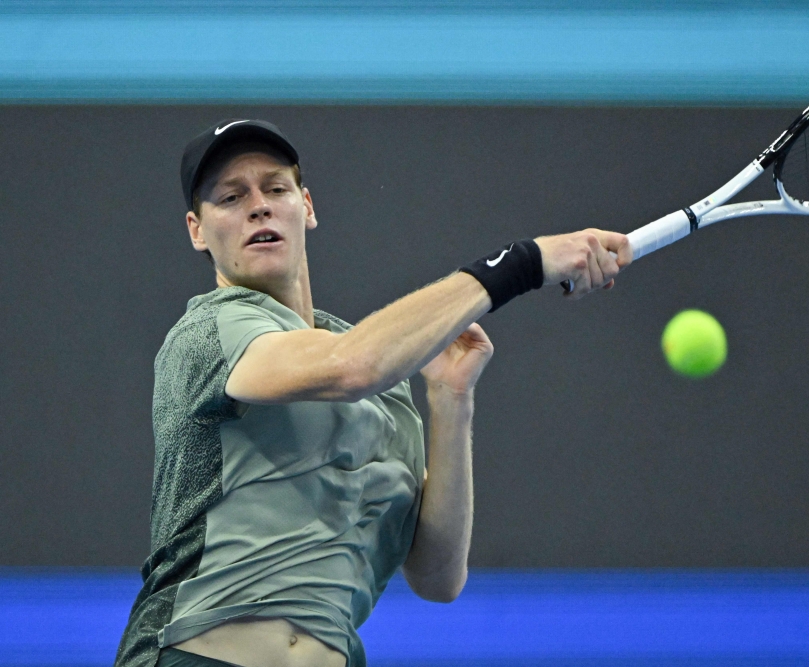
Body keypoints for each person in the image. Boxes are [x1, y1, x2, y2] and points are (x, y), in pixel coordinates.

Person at [114, 119, 631, 667]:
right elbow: (352, 366)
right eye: (231, 197)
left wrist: (451, 401)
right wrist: (521, 264)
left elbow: (437, 577)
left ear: (307, 207)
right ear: (197, 230)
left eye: (276, 188)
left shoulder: (384, 385)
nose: (259, 207)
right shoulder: (210, 332)